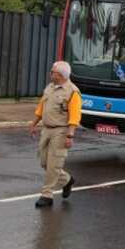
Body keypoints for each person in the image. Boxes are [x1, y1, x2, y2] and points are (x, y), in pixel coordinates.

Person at [29, 61, 82, 208]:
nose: (50, 73)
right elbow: (41, 107)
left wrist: (70, 136)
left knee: (54, 164)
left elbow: (74, 117)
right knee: (44, 162)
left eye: (53, 72)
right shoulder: (50, 87)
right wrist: (34, 123)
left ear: (60, 75)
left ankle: (47, 195)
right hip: (46, 129)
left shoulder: (72, 92)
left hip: (61, 131)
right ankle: (67, 180)